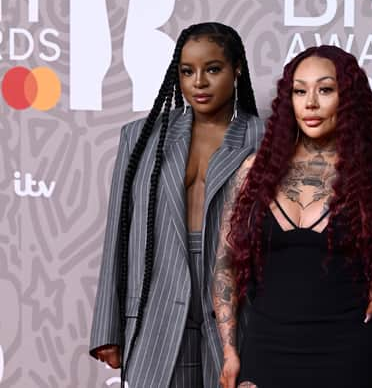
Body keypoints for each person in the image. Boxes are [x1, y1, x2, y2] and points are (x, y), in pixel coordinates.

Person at [89, 22, 263, 387]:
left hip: (237, 309)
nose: (198, 82)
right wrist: (108, 326)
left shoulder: (264, 139)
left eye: (212, 69)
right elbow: (119, 232)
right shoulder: (141, 137)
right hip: (156, 309)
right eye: (187, 71)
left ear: (237, 71)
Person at [213, 45, 372, 388]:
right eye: (300, 91)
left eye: (325, 90)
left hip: (350, 353)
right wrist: (230, 352)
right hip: (266, 351)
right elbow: (225, 265)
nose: (310, 102)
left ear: (348, 98)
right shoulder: (254, 171)